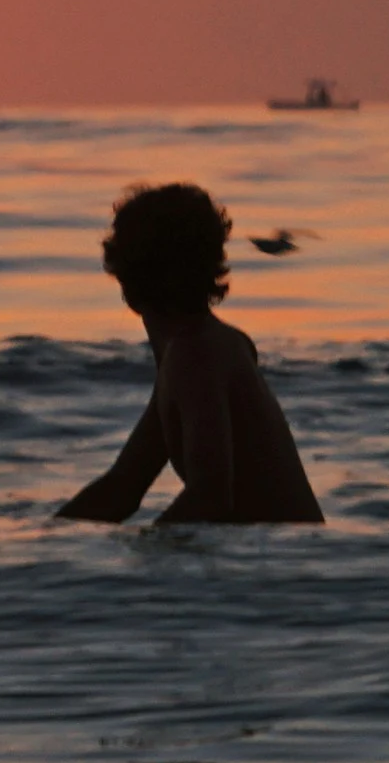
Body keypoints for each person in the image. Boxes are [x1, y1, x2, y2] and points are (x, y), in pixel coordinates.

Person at [56, 182, 326, 524]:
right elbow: (123, 488)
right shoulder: (203, 348)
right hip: (289, 560)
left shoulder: (196, 355)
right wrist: (43, 545)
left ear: (122, 269)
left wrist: (149, 560)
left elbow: (210, 496)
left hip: (283, 566)